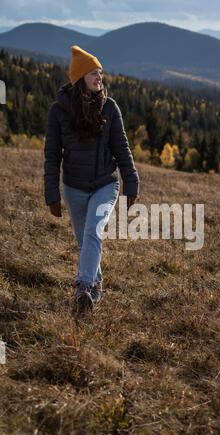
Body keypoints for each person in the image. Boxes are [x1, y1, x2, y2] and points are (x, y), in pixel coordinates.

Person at [44, 45, 140, 312]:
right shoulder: (58, 112)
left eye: (101, 73)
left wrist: (131, 182)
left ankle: (83, 287)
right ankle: (95, 288)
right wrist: (51, 194)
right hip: (73, 187)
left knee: (94, 231)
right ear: (78, 79)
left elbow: (121, 146)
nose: (100, 78)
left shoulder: (109, 108)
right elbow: (52, 156)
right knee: (85, 242)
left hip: (105, 184)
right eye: (93, 73)